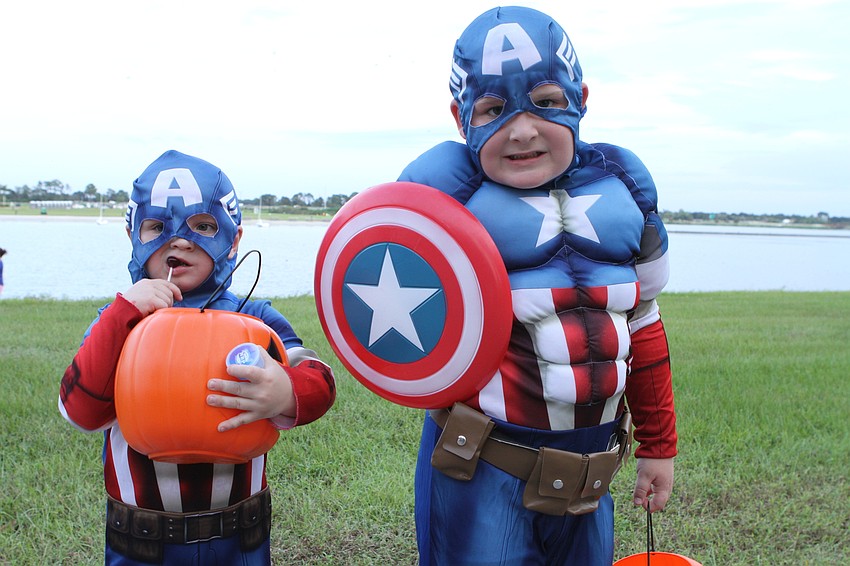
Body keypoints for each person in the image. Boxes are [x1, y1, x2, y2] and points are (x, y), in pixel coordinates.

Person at [398, 7, 677, 565]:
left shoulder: (623, 186)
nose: (522, 129)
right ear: (462, 119)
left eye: (546, 101)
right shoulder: (445, 196)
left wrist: (658, 445)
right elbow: (395, 315)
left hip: (591, 476)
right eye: (494, 108)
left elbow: (641, 324)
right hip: (484, 467)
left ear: (581, 97)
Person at [58, 150, 336, 564]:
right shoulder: (117, 319)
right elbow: (79, 410)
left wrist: (287, 392)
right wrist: (122, 315)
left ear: (232, 238)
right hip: (141, 541)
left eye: (203, 226)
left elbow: (319, 375)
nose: (181, 240)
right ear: (133, 234)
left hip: (241, 536)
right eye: (157, 226)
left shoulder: (254, 316)